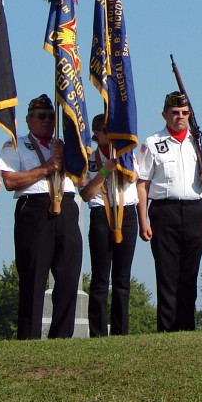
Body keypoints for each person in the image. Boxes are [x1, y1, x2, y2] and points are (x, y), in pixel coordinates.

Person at [0, 94, 84, 340]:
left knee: (69, 275)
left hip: (66, 207)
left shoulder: (65, 145)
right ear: (29, 120)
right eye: (41, 116)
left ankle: (62, 335)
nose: (47, 120)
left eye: (51, 116)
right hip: (34, 209)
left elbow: (83, 178)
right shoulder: (15, 145)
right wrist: (46, 168)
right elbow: (10, 181)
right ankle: (29, 336)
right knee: (34, 276)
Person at [136, 91, 202, 332]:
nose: (179, 117)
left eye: (184, 113)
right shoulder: (153, 143)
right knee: (167, 273)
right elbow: (142, 183)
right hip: (164, 211)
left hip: (194, 210)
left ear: (189, 114)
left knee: (189, 273)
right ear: (165, 114)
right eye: (174, 113)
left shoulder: (199, 141)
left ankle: (186, 327)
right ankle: (167, 329)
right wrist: (143, 219)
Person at [80, 113, 139, 336]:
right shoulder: (89, 159)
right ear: (97, 133)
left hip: (127, 213)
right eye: (106, 131)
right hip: (100, 214)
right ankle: (97, 332)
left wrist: (119, 162)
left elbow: (132, 178)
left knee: (122, 279)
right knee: (100, 278)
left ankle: (120, 331)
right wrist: (105, 170)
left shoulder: (127, 153)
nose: (110, 135)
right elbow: (86, 193)